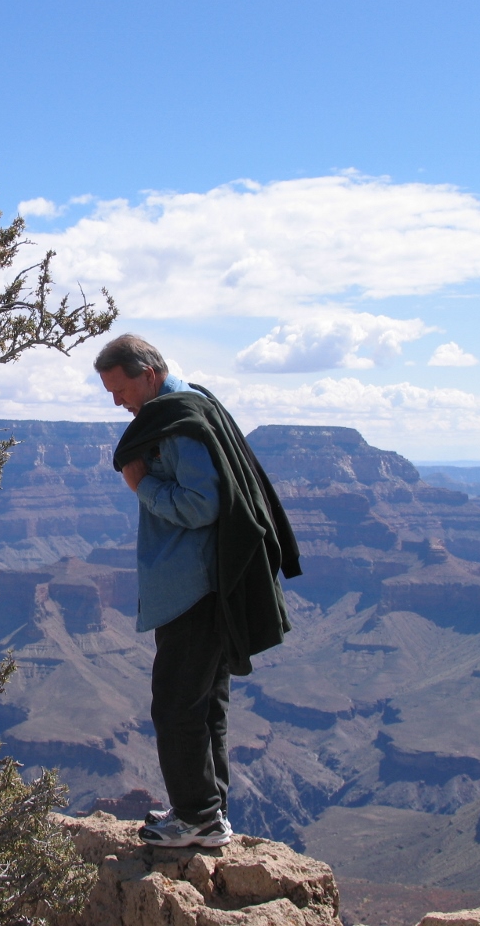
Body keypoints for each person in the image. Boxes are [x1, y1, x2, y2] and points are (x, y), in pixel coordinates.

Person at [94, 334, 301, 848]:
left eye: (119, 390)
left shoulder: (177, 421)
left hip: (195, 588)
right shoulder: (195, 402)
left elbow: (201, 506)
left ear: (147, 373)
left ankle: (196, 817)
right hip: (209, 583)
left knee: (176, 704)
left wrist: (142, 485)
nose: (117, 402)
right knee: (207, 705)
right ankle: (208, 811)